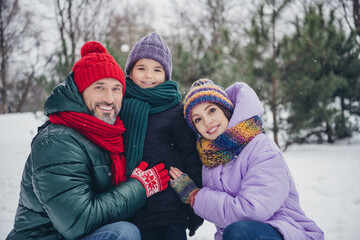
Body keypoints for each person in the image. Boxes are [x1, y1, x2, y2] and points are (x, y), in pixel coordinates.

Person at [6, 41, 170, 240]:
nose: (109, 99)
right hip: (46, 236)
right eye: (99, 88)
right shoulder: (58, 141)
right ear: (80, 90)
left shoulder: (105, 134)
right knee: (123, 234)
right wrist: (139, 187)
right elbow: (78, 221)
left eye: (116, 89)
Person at [170, 79, 325, 240]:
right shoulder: (210, 158)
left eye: (211, 111)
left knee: (238, 232)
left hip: (284, 231)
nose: (207, 122)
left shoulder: (261, 148)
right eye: (198, 119)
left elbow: (252, 211)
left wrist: (196, 197)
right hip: (238, 234)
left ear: (226, 109)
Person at [120, 32, 203, 240]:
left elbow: (191, 156)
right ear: (130, 72)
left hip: (168, 211)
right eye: (142, 68)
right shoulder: (121, 107)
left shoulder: (176, 112)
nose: (149, 76)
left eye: (157, 70)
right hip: (130, 208)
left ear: (166, 75)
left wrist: (195, 204)